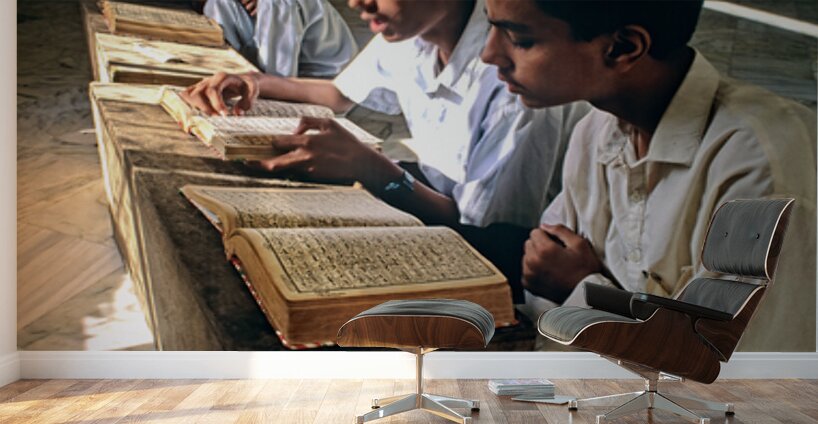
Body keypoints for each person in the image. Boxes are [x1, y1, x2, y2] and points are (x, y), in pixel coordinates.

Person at [184, 0, 589, 301]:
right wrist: (253, 81)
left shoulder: (517, 83)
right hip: (435, 189)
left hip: (498, 249)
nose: (357, 3)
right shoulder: (410, 34)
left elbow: (480, 234)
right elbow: (337, 93)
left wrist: (373, 168)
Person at [481, 0, 816, 350]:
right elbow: (543, 288)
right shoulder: (594, 131)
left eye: (520, 39)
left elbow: (725, 361)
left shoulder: (758, 158)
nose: (489, 54)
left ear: (624, 47)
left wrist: (580, 288)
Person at [203, 0, 358, 77]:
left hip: (325, 90)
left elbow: (277, 77)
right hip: (283, 81)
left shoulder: (277, 4)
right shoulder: (221, 3)